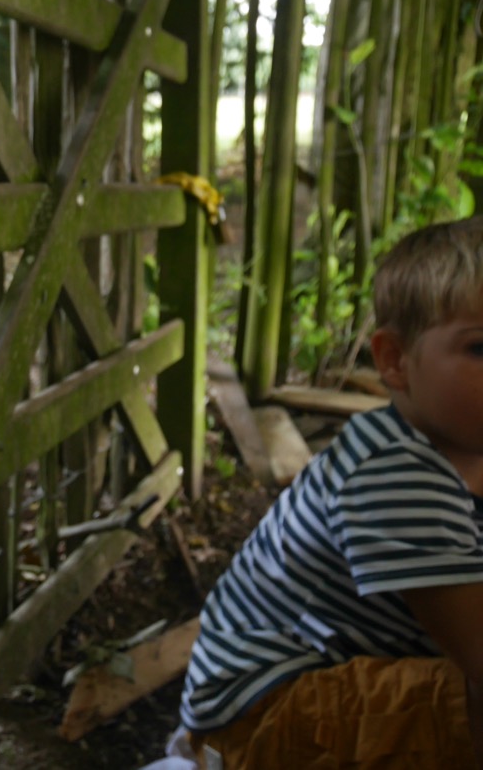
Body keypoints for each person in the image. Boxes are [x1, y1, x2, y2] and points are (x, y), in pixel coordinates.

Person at [179, 217, 483, 768]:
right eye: (480, 348)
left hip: (348, 681)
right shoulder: (396, 470)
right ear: (394, 360)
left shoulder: (465, 449)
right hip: (268, 711)